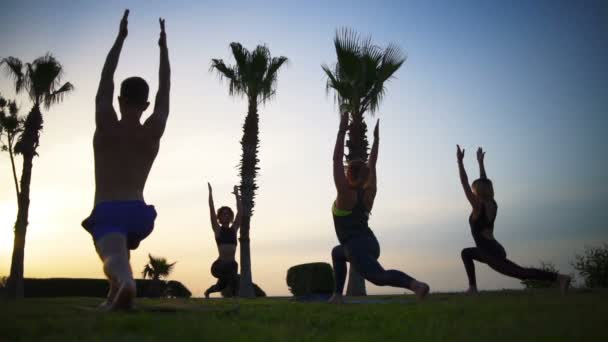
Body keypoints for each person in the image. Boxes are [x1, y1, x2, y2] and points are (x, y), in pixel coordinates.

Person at [81, 9, 171, 310]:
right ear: (145, 105)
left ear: (120, 100)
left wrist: (120, 38)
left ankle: (126, 283)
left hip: (108, 208)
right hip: (139, 213)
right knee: (119, 244)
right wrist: (164, 49)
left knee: (114, 256)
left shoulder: (106, 123)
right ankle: (113, 295)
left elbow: (106, 77)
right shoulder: (153, 131)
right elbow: (165, 90)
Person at [328, 112, 430, 304]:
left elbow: (335, 160)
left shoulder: (345, 194)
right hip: (370, 243)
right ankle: (337, 296)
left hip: (356, 247)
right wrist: (376, 140)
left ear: (349, 174)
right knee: (336, 252)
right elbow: (372, 163)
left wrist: (342, 130)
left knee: (379, 277)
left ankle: (416, 285)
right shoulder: (369, 191)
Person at [456, 145, 571, 294]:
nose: (472, 191)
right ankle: (472, 287)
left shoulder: (478, 206)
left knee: (520, 273)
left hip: (489, 252)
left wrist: (460, 162)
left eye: (474, 190)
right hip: (492, 248)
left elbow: (464, 184)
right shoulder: (492, 203)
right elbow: (484, 182)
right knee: (466, 253)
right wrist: (480, 163)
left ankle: (559, 278)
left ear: (477, 191)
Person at [204, 183, 242, 298]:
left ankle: (208, 291)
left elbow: (240, 213)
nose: (225, 215)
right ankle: (236, 299)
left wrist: (237, 195)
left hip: (231, 265)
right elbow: (211, 210)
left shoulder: (234, 229)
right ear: (219, 217)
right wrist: (210, 194)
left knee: (221, 286)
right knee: (233, 279)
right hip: (219, 266)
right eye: (223, 214)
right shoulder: (217, 230)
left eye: (227, 214)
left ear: (230, 217)